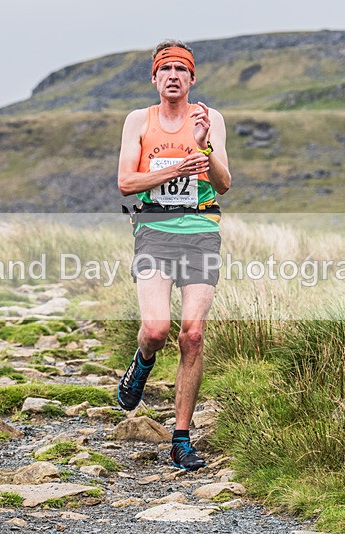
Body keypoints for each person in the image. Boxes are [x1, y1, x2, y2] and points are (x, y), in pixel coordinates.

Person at [116, 39, 231, 471]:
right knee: (156, 328)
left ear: (192, 78)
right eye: (166, 70)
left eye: (181, 70)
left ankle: (181, 439)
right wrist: (171, 170)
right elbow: (126, 182)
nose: (173, 77)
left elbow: (223, 183)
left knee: (194, 334)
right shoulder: (138, 122)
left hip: (201, 230)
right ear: (154, 78)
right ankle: (142, 362)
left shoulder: (209, 118)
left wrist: (203, 149)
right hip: (154, 230)